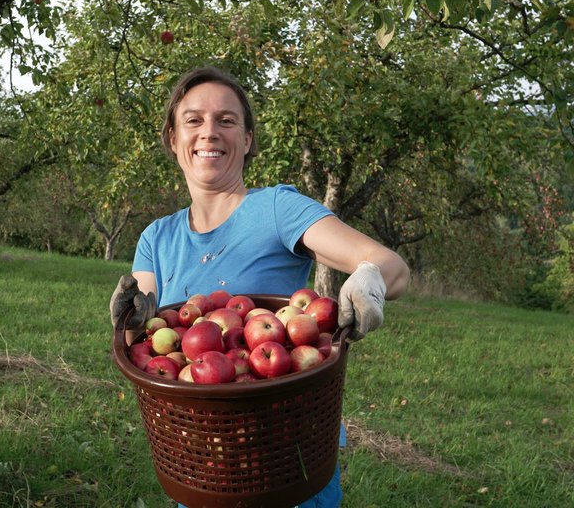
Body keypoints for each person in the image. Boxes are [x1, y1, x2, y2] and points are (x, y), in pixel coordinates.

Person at [110, 65, 410, 507]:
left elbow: (393, 268)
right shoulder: (158, 237)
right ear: (173, 140)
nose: (209, 132)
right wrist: (128, 317)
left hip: (284, 445)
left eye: (226, 121)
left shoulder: (275, 209)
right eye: (193, 120)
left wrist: (370, 279)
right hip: (200, 454)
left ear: (247, 140)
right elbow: (143, 342)